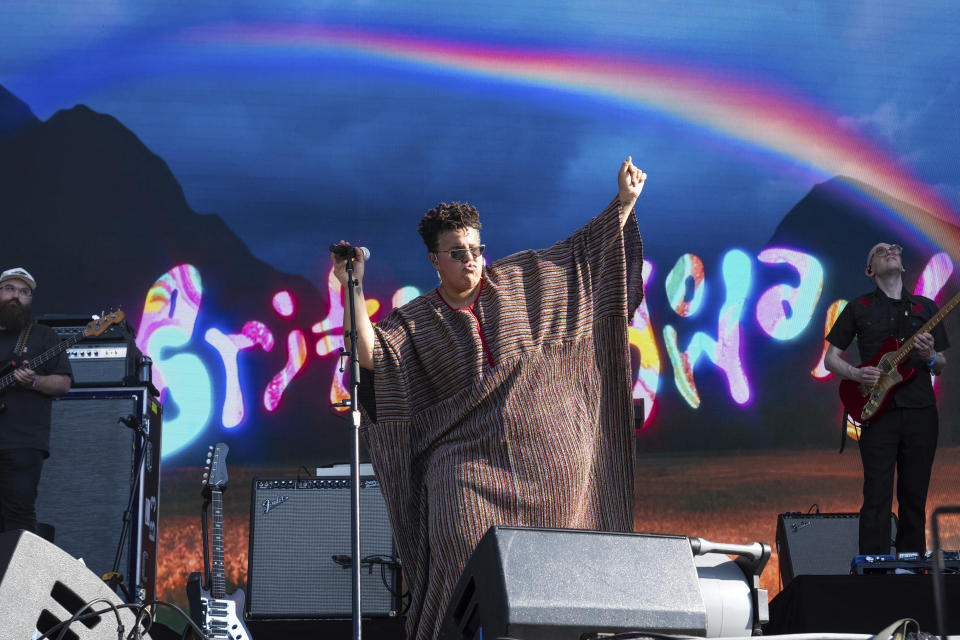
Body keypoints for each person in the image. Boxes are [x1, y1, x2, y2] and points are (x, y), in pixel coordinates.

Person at [332, 158, 646, 640]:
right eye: (457, 253)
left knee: (554, 579)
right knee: (463, 551)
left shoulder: (520, 280)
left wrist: (623, 203)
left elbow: (582, 255)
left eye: (476, 249)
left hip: (543, 467)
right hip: (467, 471)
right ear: (434, 260)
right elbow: (371, 355)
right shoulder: (416, 321)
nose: (471, 260)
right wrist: (351, 285)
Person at [824, 243, 948, 555]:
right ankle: (874, 568)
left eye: (895, 249)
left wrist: (930, 355)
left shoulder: (926, 308)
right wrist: (855, 374)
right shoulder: (858, 307)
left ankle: (910, 564)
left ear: (903, 265)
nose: (891, 251)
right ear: (870, 270)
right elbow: (830, 359)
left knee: (914, 495)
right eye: (880, 251)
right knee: (877, 493)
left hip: (921, 411)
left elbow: (941, 364)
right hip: (876, 411)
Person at [0, 267, 72, 534]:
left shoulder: (43, 337)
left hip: (22, 443)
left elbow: (63, 383)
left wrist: (33, 381)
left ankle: (18, 576)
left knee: (18, 516)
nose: (16, 296)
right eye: (9, 289)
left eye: (24, 292)